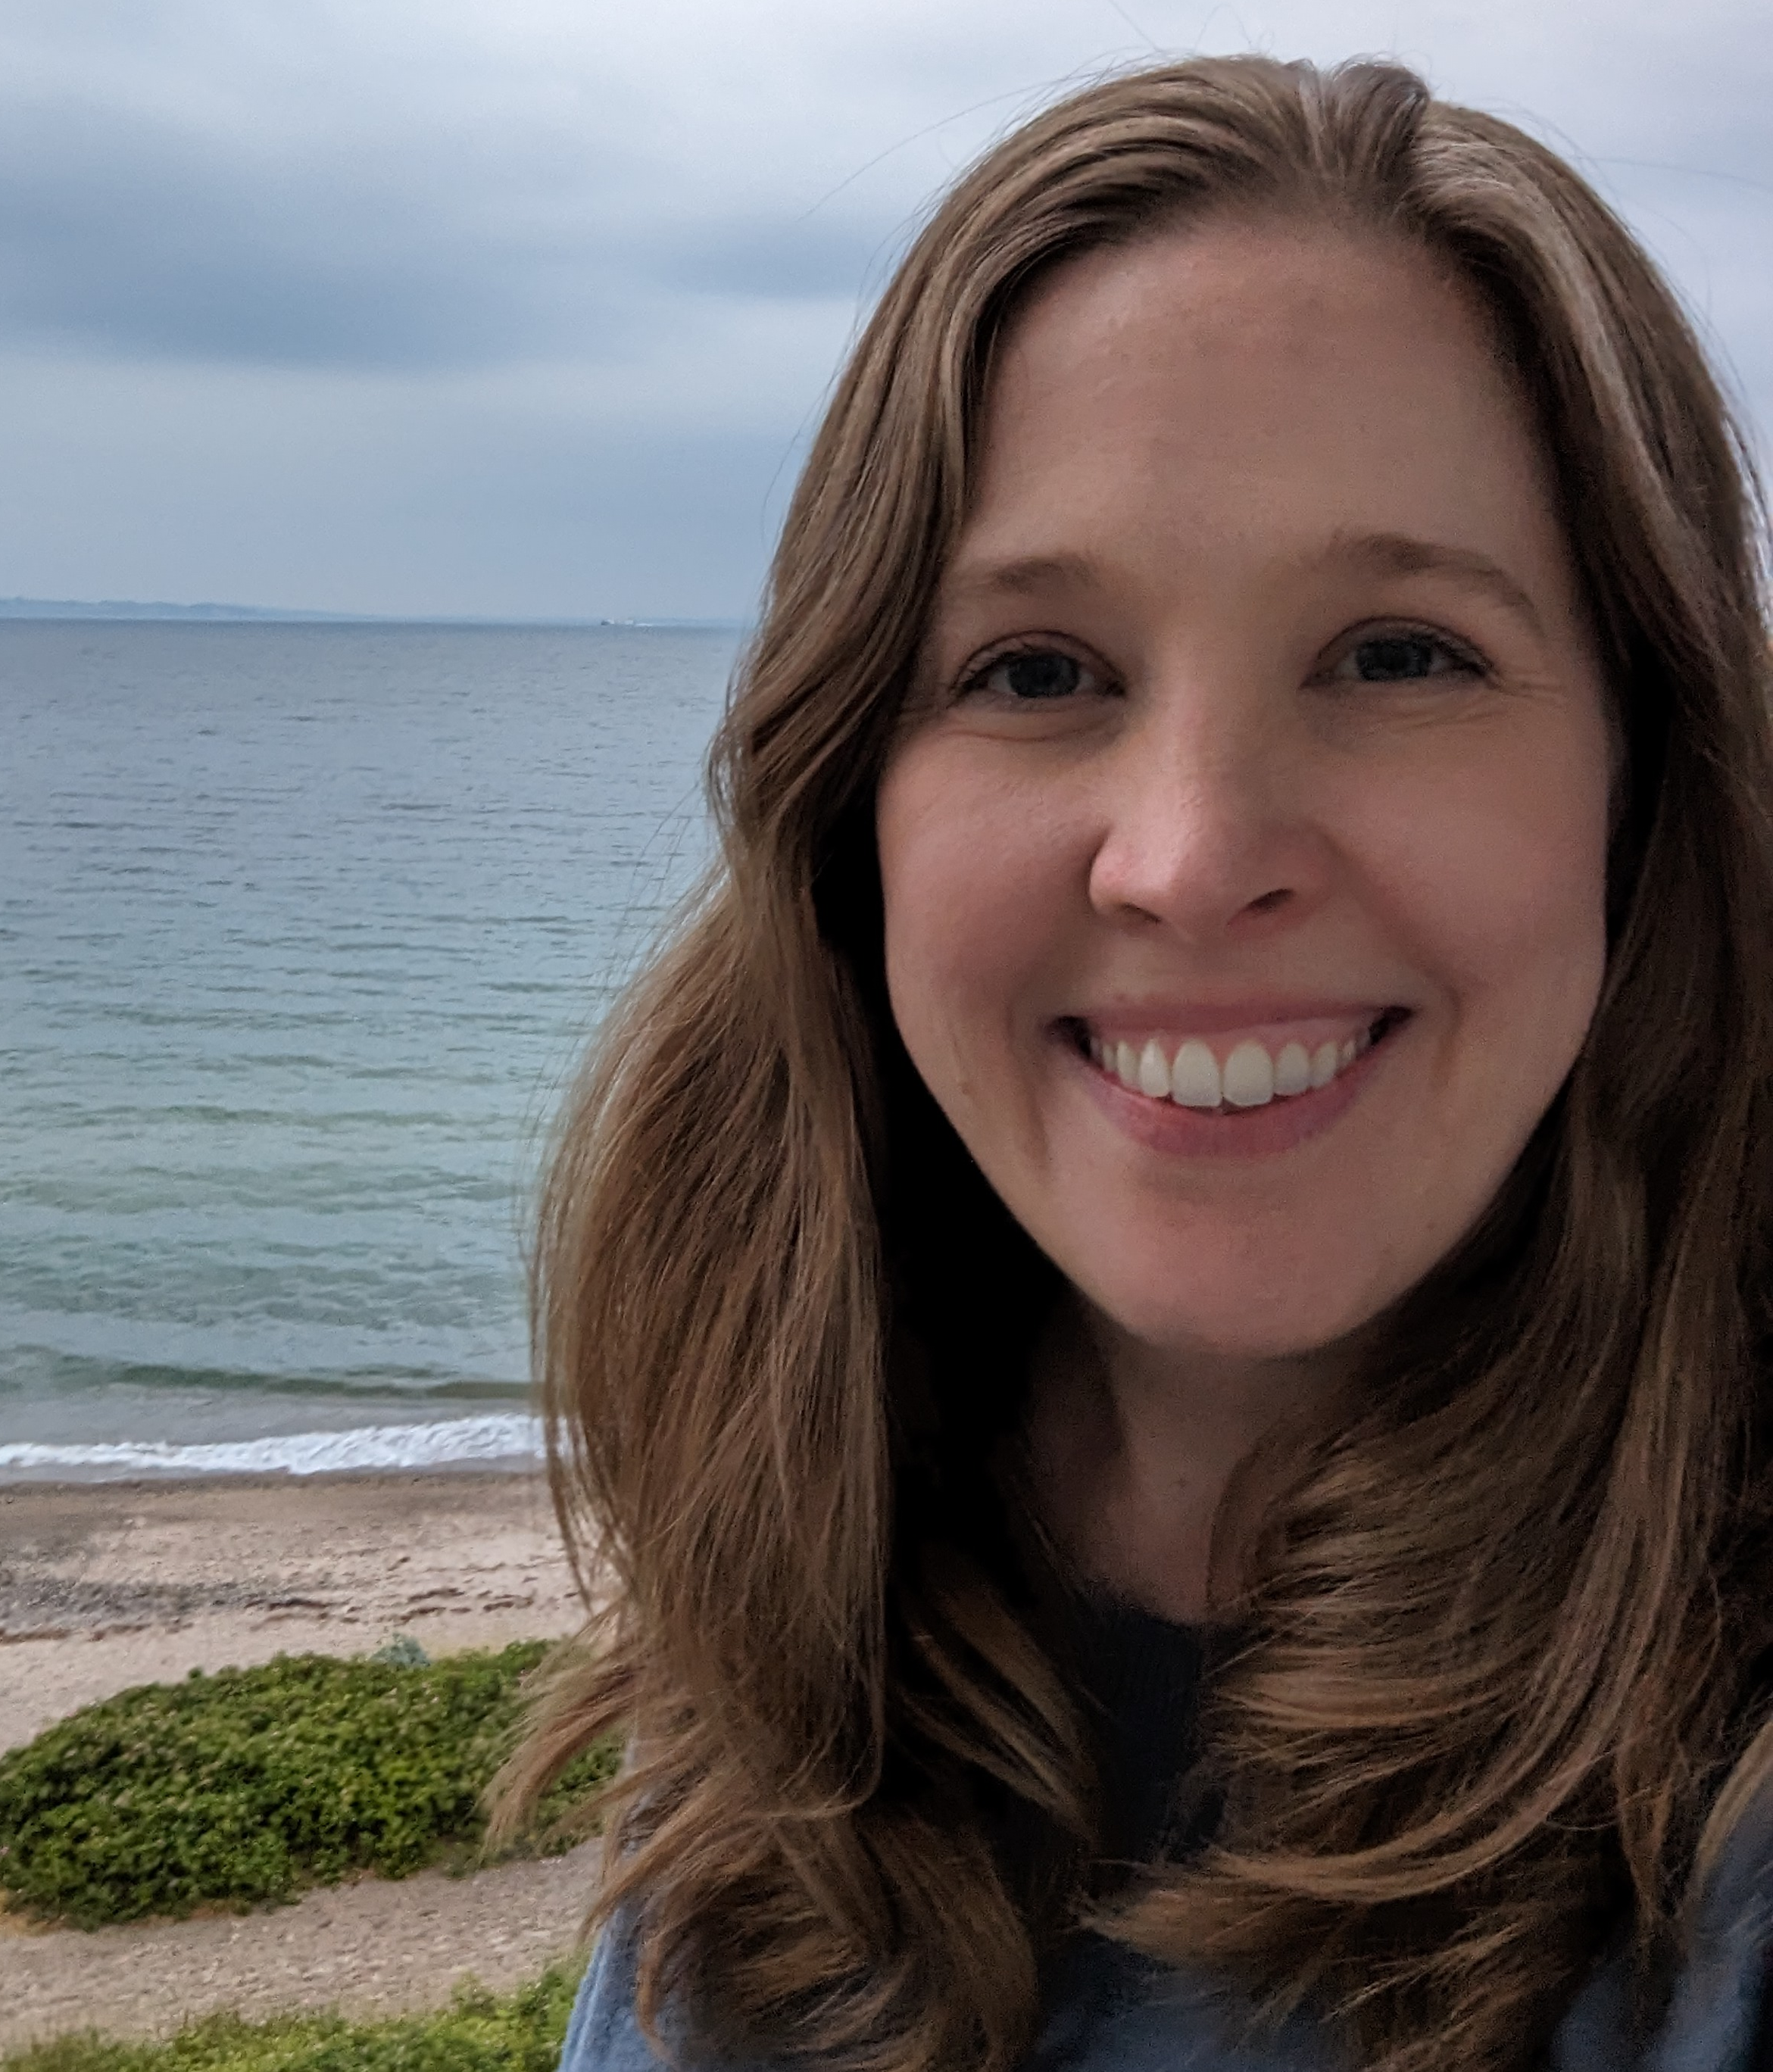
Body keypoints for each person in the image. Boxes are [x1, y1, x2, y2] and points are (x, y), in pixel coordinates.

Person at [495, 53, 1773, 2072]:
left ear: (1642, 781)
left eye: (1400, 653)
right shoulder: (812, 1637)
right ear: (857, 817)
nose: (1188, 858)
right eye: (1038, 671)